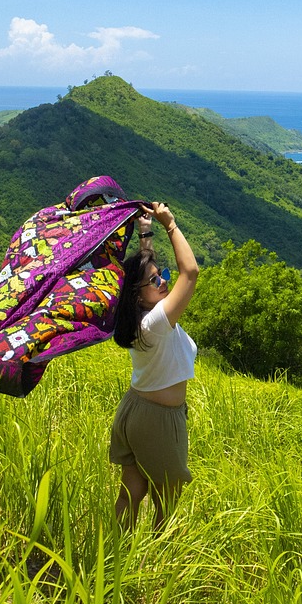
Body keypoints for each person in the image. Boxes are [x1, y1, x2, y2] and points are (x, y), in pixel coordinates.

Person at [110, 201, 199, 530]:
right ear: (137, 295)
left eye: (162, 276)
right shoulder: (157, 323)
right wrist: (170, 224)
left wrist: (145, 232)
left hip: (135, 410)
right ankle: (159, 562)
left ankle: (117, 555)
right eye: (155, 281)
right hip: (159, 419)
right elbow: (190, 272)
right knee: (167, 497)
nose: (163, 281)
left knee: (132, 490)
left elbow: (148, 273)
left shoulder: (138, 321)